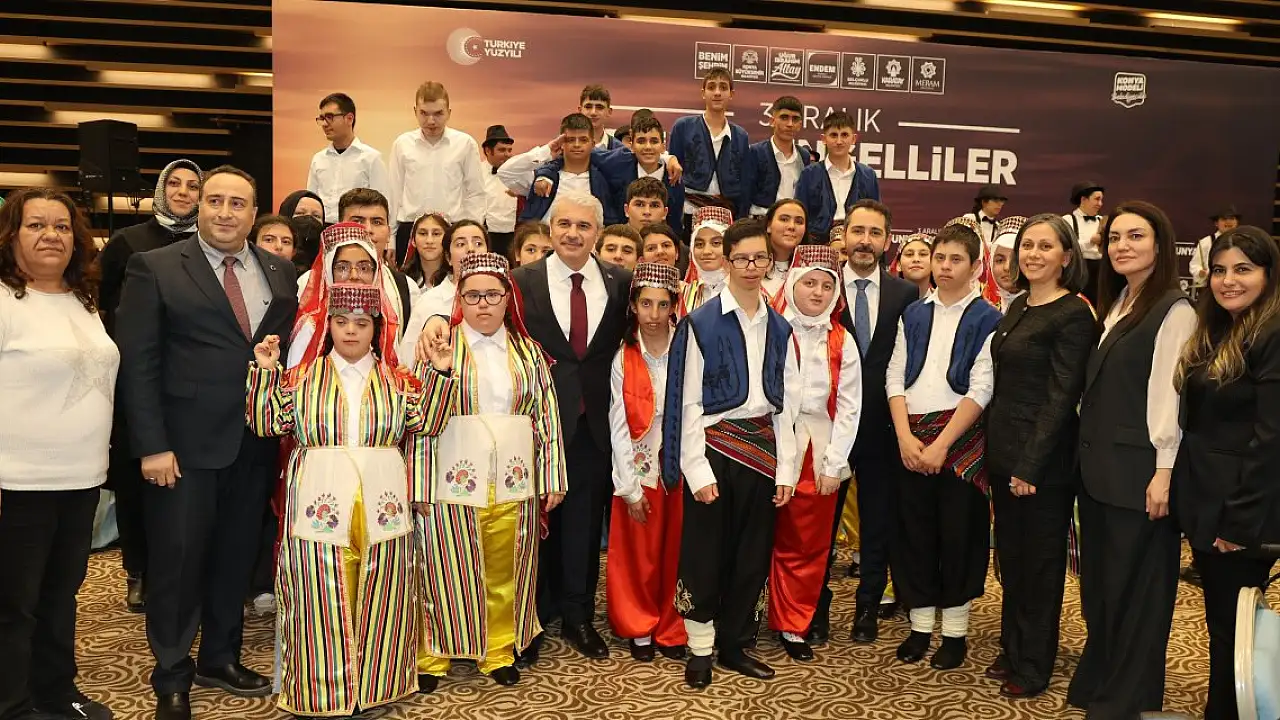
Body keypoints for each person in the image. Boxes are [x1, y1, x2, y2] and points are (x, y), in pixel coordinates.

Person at [116, 166, 299, 720]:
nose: (224, 211)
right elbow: (138, 363)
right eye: (214, 200)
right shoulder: (156, 266)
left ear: (253, 213)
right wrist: (151, 445)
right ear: (198, 206)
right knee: (177, 563)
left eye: (237, 203)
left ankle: (220, 658)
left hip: (254, 444)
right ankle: (172, 673)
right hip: (182, 449)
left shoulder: (279, 271)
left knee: (234, 559)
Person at [246, 282, 422, 716]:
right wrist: (266, 371)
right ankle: (323, 692)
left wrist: (439, 372)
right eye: (341, 321)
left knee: (385, 593)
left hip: (382, 499)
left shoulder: (398, 381)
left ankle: (377, 685)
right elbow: (266, 424)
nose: (350, 331)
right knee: (318, 596)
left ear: (376, 328)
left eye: (361, 323)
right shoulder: (301, 377)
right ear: (329, 325)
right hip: (319, 498)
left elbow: (428, 422)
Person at [412, 251, 569, 688]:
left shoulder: (528, 353)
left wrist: (552, 476)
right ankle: (433, 656)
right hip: (450, 482)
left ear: (507, 298)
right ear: (459, 298)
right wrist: (418, 485)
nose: (483, 304)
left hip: (514, 483)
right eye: (473, 295)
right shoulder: (438, 348)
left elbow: (546, 416)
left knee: (505, 570)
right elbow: (420, 421)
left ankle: (497, 650)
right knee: (445, 570)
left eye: (492, 295)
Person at [1068, 200, 1195, 720]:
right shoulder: (1119, 300)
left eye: (1136, 236)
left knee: (1137, 592)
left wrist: (1164, 472)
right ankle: (1102, 678)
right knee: (1102, 587)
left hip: (1140, 474)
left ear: (1160, 244)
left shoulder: (1174, 309)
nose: (1122, 246)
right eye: (1115, 237)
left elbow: (1171, 396)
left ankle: (1128, 698)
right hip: (1101, 473)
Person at [662, 217, 799, 688]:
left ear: (769, 261)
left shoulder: (780, 327)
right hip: (714, 450)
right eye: (741, 258)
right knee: (705, 554)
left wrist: (786, 469)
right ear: (726, 261)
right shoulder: (700, 324)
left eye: (760, 258)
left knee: (751, 555)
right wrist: (696, 470)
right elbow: (685, 402)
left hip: (762, 453)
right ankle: (700, 649)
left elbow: (788, 404)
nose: (751, 266)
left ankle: (736, 645)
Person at [0, 188, 119, 720]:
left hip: (81, 478)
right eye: (36, 225)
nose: (51, 235)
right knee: (13, 604)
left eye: (62, 226)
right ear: (11, 236)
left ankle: (55, 692)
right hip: (16, 482)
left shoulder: (82, 300)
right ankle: (12, 705)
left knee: (60, 595)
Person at [985, 214, 1096, 697]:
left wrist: (1030, 464)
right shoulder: (1020, 305)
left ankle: (1033, 664)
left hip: (1041, 465)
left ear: (1066, 256)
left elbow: (1061, 397)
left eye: (1045, 246)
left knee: (1040, 567)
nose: (1032, 254)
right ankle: (1012, 648)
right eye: (1027, 245)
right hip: (1004, 456)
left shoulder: (1073, 314)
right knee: (1012, 561)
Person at [1174, 225, 1280, 720]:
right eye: (1219, 270)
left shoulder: (1272, 332)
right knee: (1225, 631)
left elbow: (1272, 440)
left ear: (1269, 274)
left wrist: (1238, 523)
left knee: (1236, 636)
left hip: (1241, 515)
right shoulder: (1219, 328)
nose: (1228, 280)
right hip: (1209, 505)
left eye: (1243, 269)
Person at [886, 222, 1000, 670]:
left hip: (961, 441)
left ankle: (954, 633)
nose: (945, 267)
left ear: (975, 266)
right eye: (940, 258)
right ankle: (918, 627)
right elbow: (894, 375)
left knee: (959, 538)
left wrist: (942, 445)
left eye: (956, 259)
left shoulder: (989, 318)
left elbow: (982, 388)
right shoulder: (914, 314)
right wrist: (904, 437)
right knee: (913, 535)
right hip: (911, 438)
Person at [96, 158, 202, 614]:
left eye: (192, 186)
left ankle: (180, 570)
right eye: (174, 183)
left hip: (189, 381)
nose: (183, 192)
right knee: (135, 479)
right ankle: (138, 570)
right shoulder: (128, 241)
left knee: (186, 481)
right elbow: (102, 304)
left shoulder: (207, 245)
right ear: (160, 189)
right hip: (136, 376)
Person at [810, 201, 917, 646]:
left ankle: (868, 607)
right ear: (844, 235)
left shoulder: (905, 294)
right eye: (858, 231)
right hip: (829, 430)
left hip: (883, 431)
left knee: (878, 525)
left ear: (887, 240)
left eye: (875, 233)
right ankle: (815, 607)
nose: (865, 241)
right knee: (820, 525)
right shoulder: (820, 287)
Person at [768, 245, 862, 662]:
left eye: (826, 285)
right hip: (770, 444)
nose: (817, 292)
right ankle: (749, 614)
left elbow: (850, 407)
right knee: (759, 537)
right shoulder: (771, 329)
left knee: (807, 543)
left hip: (819, 450)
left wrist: (834, 464)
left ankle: (794, 623)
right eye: (809, 282)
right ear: (792, 284)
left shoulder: (843, 340)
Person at [605, 262, 687, 662]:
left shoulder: (688, 351)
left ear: (674, 306)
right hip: (639, 466)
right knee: (640, 551)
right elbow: (618, 424)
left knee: (678, 550)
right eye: (646, 304)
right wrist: (629, 487)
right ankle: (639, 623)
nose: (654, 314)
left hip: (681, 465)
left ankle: (672, 625)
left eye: (662, 304)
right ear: (633, 306)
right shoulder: (624, 356)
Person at [388, 81, 486, 264]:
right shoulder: (402, 144)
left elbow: (476, 193)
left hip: (452, 230)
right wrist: (390, 239)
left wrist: (471, 237)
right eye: (424, 113)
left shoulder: (465, 144)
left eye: (438, 113)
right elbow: (393, 193)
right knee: (408, 281)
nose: (431, 121)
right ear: (415, 111)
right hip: (410, 231)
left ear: (449, 112)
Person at [291, 222, 403, 370]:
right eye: (343, 268)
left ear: (375, 272)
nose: (354, 275)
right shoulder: (311, 327)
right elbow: (295, 380)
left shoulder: (383, 322)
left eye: (364, 268)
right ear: (329, 272)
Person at [667, 68, 751, 227]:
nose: (717, 93)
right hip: (689, 211)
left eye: (723, 87)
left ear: (731, 94)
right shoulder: (683, 127)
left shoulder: (740, 136)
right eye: (711, 87)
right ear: (703, 93)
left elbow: (745, 184)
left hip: (727, 214)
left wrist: (741, 219)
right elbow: (672, 177)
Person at [397, 220, 489, 362]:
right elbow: (407, 359)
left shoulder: (501, 300)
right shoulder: (428, 302)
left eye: (478, 243)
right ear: (448, 258)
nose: (471, 249)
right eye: (461, 244)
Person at [508, 114, 619, 226]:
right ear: (561, 143)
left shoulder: (605, 180)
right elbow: (506, 173)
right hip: (545, 236)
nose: (577, 145)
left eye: (583, 140)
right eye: (570, 140)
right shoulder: (542, 179)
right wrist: (547, 151)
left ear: (593, 144)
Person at [336, 188, 416, 332]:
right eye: (358, 221)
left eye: (377, 222)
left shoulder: (408, 288)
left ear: (389, 233)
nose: (368, 229)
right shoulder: (308, 284)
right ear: (339, 228)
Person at [793, 111, 880, 242]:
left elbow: (876, 217)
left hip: (858, 242)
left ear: (854, 138)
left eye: (844, 135)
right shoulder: (809, 174)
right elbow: (799, 215)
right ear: (824, 139)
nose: (839, 141)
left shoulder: (868, 175)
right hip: (816, 243)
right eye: (833, 135)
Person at [596, 113, 686, 239]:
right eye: (641, 141)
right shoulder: (619, 163)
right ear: (632, 146)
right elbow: (590, 154)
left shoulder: (674, 176)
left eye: (654, 141)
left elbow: (675, 225)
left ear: (663, 146)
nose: (648, 147)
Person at [306, 92, 392, 224]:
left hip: (357, 228)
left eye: (329, 117)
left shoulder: (371, 158)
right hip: (322, 228)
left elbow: (382, 205)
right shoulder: (318, 159)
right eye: (322, 118)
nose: (324, 124)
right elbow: (310, 201)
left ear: (349, 118)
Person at [744, 96, 809, 218]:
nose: (790, 124)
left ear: (800, 125)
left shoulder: (804, 156)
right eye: (784, 118)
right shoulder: (755, 152)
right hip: (760, 220)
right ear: (772, 121)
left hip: (793, 221)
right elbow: (745, 194)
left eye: (795, 119)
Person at [680, 206, 731, 315]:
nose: (706, 251)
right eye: (699, 244)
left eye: (716, 243)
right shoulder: (681, 292)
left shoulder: (746, 291)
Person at [1063, 181, 1105, 305]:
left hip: (1100, 272)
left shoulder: (1102, 221)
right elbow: (1067, 247)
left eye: (1101, 200)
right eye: (1097, 199)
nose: (1100, 204)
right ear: (1083, 199)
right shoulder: (1068, 220)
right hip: (1079, 270)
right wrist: (1090, 242)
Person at [481, 125, 519, 257]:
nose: (508, 154)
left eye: (509, 150)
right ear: (488, 150)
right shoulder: (476, 173)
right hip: (487, 236)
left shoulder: (519, 173)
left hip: (514, 235)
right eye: (502, 150)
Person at [761, 199, 808, 299]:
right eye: (784, 219)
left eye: (799, 222)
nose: (792, 226)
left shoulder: (811, 270)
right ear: (768, 225)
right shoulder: (749, 263)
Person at [1189, 206, 1242, 292]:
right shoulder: (1206, 242)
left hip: (1237, 287)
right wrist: (1200, 272)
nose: (1228, 221)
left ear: (1237, 222)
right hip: (1210, 288)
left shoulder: (1244, 242)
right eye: (1224, 219)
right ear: (1216, 223)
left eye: (1232, 218)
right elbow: (1194, 265)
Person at [401, 212, 448, 291]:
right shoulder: (401, 280)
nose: (429, 241)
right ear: (413, 241)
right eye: (423, 234)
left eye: (436, 234)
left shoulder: (456, 280)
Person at [989, 216, 1027, 313]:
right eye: (1000, 260)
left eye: (1015, 260)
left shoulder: (1043, 309)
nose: (1007, 267)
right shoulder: (984, 308)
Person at [579, 84, 622, 150]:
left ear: (609, 112)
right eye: (588, 107)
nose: (593, 112)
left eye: (600, 107)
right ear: (580, 110)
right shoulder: (565, 147)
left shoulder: (620, 150)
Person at [895, 234, 933, 299]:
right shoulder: (884, 299)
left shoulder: (943, 301)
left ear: (934, 263)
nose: (916, 259)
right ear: (899, 265)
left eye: (923, 254)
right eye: (909, 254)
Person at [969, 184, 1007, 249]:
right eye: (995, 200)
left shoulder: (999, 227)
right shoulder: (970, 219)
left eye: (1002, 201)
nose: (1000, 204)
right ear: (983, 202)